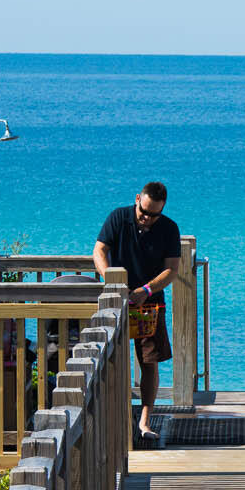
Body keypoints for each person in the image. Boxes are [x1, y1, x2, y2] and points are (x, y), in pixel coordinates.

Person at [93, 181, 181, 447]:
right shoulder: (118, 217)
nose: (147, 218)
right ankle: (114, 417)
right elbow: (99, 251)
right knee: (112, 360)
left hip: (150, 303)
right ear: (137, 200)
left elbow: (172, 270)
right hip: (117, 298)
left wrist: (147, 289)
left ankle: (145, 419)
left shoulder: (169, 228)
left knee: (149, 360)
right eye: (144, 211)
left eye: (154, 214)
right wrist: (111, 279)